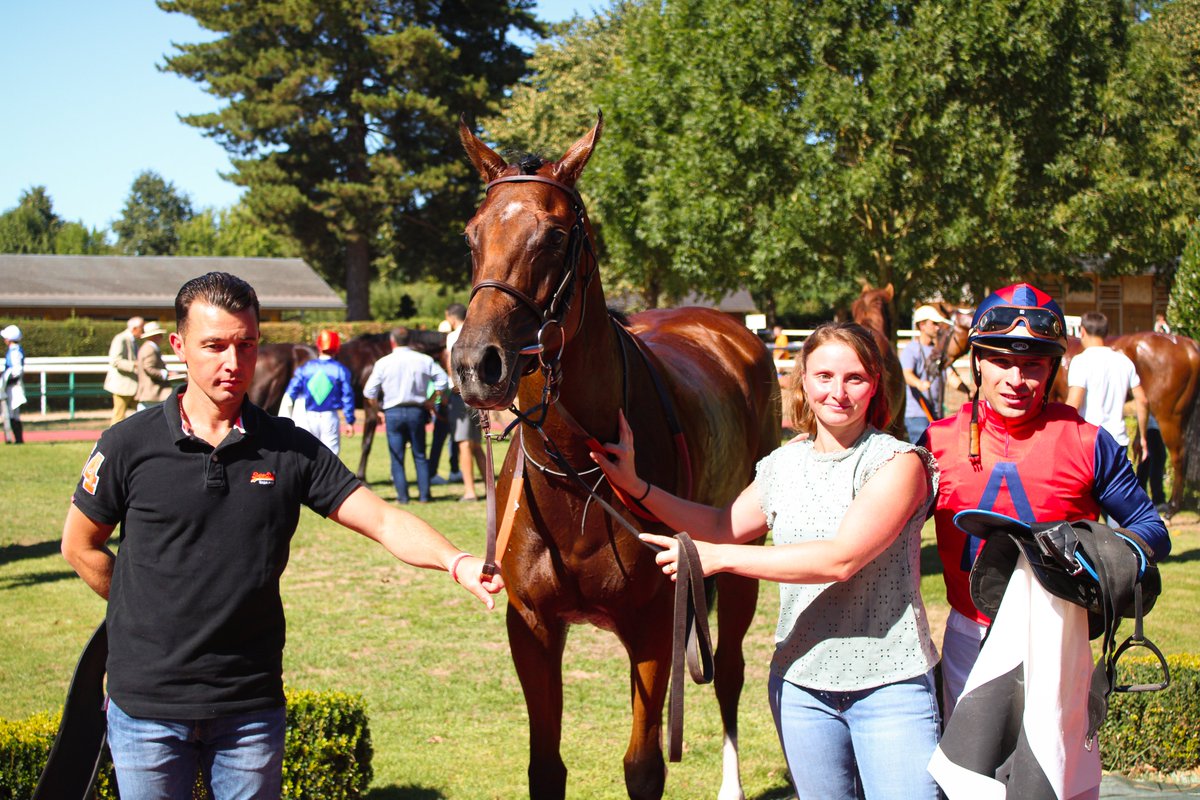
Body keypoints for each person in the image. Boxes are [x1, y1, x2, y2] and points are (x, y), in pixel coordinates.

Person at [60, 272, 502, 798]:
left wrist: (456, 561)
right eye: (214, 346)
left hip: (249, 708)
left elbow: (383, 519)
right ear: (179, 346)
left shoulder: (290, 447)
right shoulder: (127, 444)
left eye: (246, 345)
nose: (233, 362)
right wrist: (141, 607)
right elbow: (79, 544)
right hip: (146, 708)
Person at [590, 321, 942, 800]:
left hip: (890, 687)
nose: (838, 392)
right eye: (824, 377)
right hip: (801, 689)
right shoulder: (784, 464)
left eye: (854, 378)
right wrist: (637, 486)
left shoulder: (898, 463)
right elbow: (722, 525)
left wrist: (719, 559)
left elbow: (841, 559)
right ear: (803, 382)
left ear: (875, 384)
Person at [920, 284, 1169, 721]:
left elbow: (1152, 529)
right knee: (967, 764)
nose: (1016, 380)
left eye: (1032, 364)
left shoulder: (1090, 441)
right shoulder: (936, 441)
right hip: (968, 632)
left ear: (1053, 368)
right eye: (1001, 361)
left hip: (1060, 632)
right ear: (977, 361)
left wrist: (1100, 552)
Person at [364, 327, 449, 504]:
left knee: (397, 457)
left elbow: (369, 392)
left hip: (393, 412)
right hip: (417, 410)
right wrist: (431, 400)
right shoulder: (424, 360)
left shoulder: (383, 362)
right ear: (410, 340)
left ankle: (403, 497)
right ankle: (424, 496)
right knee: (420, 455)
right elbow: (443, 381)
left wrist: (377, 410)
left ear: (392, 342)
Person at [1065, 311, 1149, 465]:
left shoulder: (1080, 361)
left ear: (1082, 331)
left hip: (1090, 442)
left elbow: (1073, 404)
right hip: (1118, 441)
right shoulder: (1124, 361)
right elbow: (1142, 400)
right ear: (1106, 333)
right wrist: (1141, 437)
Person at [279, 329, 356, 455]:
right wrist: (349, 421)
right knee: (331, 457)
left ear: (319, 347)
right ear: (337, 348)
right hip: (330, 417)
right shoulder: (341, 370)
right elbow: (347, 396)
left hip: (307, 417)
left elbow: (290, 393)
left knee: (307, 454)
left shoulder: (305, 368)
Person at [900, 304, 962, 444]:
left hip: (936, 414)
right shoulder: (911, 350)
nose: (937, 327)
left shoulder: (938, 352)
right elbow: (906, 374)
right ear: (922, 325)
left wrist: (967, 391)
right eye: (933, 323)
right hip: (917, 415)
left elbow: (950, 375)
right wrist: (919, 384)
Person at [444, 303, 484, 501]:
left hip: (461, 393)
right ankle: (490, 488)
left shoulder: (453, 336)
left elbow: (450, 363)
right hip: (479, 393)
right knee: (477, 445)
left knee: (464, 444)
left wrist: (454, 385)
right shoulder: (478, 334)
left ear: (451, 318)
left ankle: (470, 491)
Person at [104, 316, 144, 426]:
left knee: (142, 413)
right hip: (122, 386)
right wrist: (135, 365)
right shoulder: (120, 339)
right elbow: (115, 361)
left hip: (133, 386)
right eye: (142, 328)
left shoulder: (133, 341)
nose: (143, 331)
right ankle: (113, 437)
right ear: (134, 328)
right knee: (119, 416)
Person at [135, 321, 174, 411]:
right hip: (152, 392)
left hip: (150, 393)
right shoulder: (150, 349)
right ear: (154, 336)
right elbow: (149, 368)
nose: (161, 337)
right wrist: (164, 374)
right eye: (159, 335)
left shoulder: (148, 347)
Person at [1137, 411, 1168, 515]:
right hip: (1152, 426)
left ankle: (1141, 498)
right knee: (1156, 459)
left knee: (1147, 461)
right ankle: (1157, 499)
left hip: (1150, 426)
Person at [2, 324, 26, 445]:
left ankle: (17, 439)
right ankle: (15, 439)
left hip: (13, 386)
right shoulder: (14, 350)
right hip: (12, 384)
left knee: (12, 413)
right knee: (12, 413)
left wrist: (8, 380)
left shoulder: (15, 351)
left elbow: (17, 370)